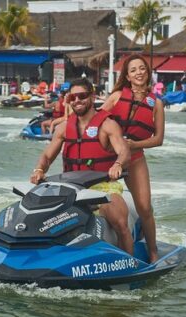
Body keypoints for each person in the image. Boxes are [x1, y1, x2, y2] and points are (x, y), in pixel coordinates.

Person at [30, 78, 135, 255]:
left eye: (82, 96)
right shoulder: (63, 128)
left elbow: (124, 152)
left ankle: (129, 262)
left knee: (119, 223)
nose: (77, 100)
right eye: (73, 97)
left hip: (103, 187)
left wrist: (118, 164)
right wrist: (39, 169)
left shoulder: (107, 125)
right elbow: (47, 156)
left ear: (92, 97)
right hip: (71, 188)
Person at [100, 54, 165, 263]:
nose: (139, 73)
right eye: (134, 70)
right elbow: (97, 121)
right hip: (108, 157)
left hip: (135, 157)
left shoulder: (156, 104)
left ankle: (153, 251)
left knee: (144, 207)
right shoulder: (117, 96)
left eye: (142, 69)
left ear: (147, 73)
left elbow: (158, 139)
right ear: (127, 76)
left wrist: (134, 145)